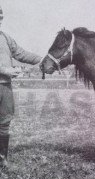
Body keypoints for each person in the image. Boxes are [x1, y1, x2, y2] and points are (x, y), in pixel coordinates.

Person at [0, 6, 42, 167]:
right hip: (4, 79)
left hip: (5, 88)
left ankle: (2, 158)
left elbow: (21, 54)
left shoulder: (5, 38)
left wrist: (43, 59)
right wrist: (5, 70)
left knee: (4, 123)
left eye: (0, 17)